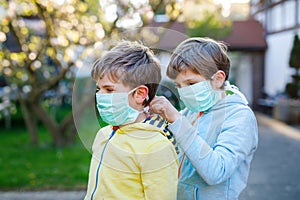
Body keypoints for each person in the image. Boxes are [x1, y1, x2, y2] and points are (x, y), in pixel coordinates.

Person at [150, 37, 258, 200]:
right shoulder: (193, 110)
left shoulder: (239, 116)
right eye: (179, 85)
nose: (183, 91)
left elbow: (216, 172)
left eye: (191, 83)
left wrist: (177, 120)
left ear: (218, 79)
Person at [84, 40, 178, 200]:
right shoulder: (103, 135)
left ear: (140, 94)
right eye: (99, 89)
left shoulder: (156, 147)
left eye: (109, 89)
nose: (100, 96)